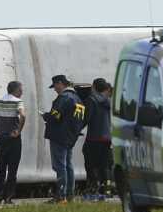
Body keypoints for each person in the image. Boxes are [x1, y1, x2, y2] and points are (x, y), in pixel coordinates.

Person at [42, 74, 85, 204]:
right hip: (71, 137)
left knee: (59, 166)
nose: (55, 89)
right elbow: (80, 120)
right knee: (68, 166)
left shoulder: (63, 98)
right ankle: (70, 195)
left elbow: (55, 116)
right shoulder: (78, 98)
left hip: (59, 136)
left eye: (55, 86)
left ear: (60, 83)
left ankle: (61, 196)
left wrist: (46, 116)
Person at [82, 78, 113, 196]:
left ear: (94, 87)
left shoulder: (91, 100)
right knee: (104, 164)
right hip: (107, 138)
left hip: (94, 137)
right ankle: (106, 189)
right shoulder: (108, 101)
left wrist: (75, 129)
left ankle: (93, 186)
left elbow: (87, 118)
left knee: (90, 163)